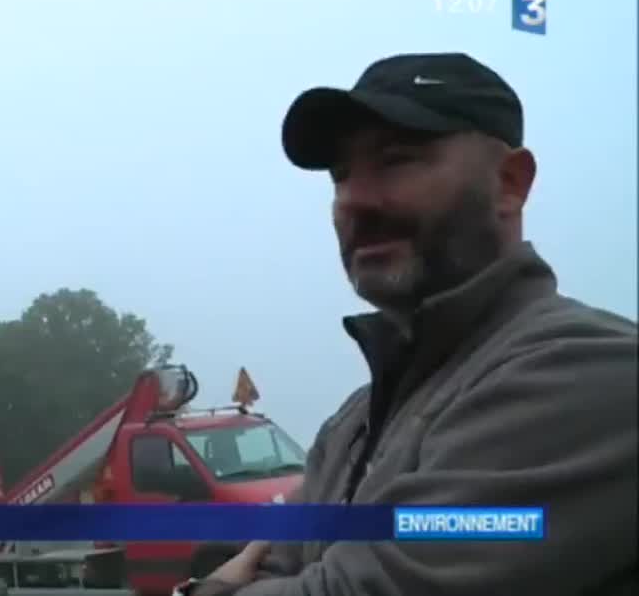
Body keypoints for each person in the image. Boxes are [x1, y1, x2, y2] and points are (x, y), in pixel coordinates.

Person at [177, 52, 638, 596]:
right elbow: (280, 567)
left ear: (510, 183)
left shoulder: (589, 374)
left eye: (396, 161)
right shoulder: (352, 424)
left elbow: (368, 589)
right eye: (341, 176)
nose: (354, 200)